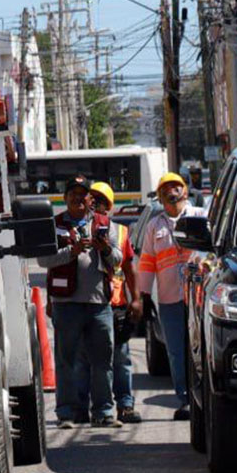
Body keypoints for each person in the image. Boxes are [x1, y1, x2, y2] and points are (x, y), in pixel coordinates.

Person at [38, 176, 122, 428]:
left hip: (99, 304)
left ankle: (104, 412)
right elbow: (44, 260)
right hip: (66, 304)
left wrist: (105, 248)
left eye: (82, 194)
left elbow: (117, 260)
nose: (78, 198)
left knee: (102, 361)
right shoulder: (55, 224)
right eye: (72, 194)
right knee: (66, 360)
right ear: (65, 199)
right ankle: (67, 413)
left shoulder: (105, 224)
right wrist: (70, 252)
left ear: (90, 200)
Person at [136, 171, 204, 420]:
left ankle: (204, 396)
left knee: (201, 349)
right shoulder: (155, 226)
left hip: (199, 298)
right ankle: (185, 399)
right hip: (169, 299)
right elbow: (146, 263)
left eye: (176, 187)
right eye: (166, 189)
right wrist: (143, 295)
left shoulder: (201, 217)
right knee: (176, 351)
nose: (172, 192)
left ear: (185, 191)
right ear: (160, 197)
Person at [90, 182, 142, 424]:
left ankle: (126, 405)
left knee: (120, 358)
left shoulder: (120, 232)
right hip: (90, 304)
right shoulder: (81, 228)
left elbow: (130, 268)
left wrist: (137, 299)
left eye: (101, 200)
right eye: (93, 199)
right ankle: (87, 407)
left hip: (117, 303)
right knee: (92, 360)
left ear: (109, 206)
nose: (96, 204)